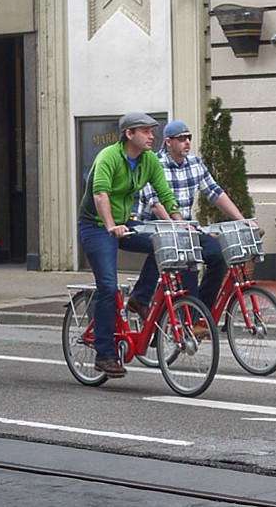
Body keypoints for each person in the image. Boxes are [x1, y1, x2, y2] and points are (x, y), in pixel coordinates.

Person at [77, 112, 182, 378]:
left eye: (152, 131)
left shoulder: (148, 160)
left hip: (123, 223)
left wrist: (179, 224)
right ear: (129, 134)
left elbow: (165, 193)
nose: (152, 136)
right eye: (146, 131)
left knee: (161, 246)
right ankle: (104, 355)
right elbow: (100, 194)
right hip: (96, 226)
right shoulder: (108, 157)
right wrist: (110, 226)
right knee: (108, 287)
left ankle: (139, 299)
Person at [129, 120, 248, 317]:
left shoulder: (194, 163)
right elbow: (156, 204)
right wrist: (177, 228)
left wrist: (241, 219)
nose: (187, 142)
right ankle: (171, 311)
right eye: (181, 138)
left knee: (217, 257)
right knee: (184, 260)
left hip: (186, 227)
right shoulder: (154, 163)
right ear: (168, 142)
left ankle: (201, 313)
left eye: (189, 138)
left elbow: (215, 193)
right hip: (157, 227)